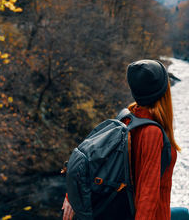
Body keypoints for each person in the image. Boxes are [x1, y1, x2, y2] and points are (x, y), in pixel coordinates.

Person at [62, 59, 180, 220]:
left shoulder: (126, 118)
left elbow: (94, 158)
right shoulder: (152, 133)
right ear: (164, 91)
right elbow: (147, 198)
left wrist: (72, 195)